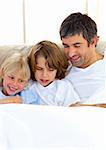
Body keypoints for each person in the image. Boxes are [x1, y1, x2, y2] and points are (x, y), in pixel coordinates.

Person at [59, 12, 105, 105]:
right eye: (66, 46)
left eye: (77, 45)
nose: (71, 54)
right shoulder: (61, 70)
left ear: (93, 41)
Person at [22, 40, 80, 106]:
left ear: (57, 69)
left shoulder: (63, 87)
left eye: (50, 70)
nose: (44, 75)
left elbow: (74, 108)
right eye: (39, 69)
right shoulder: (28, 84)